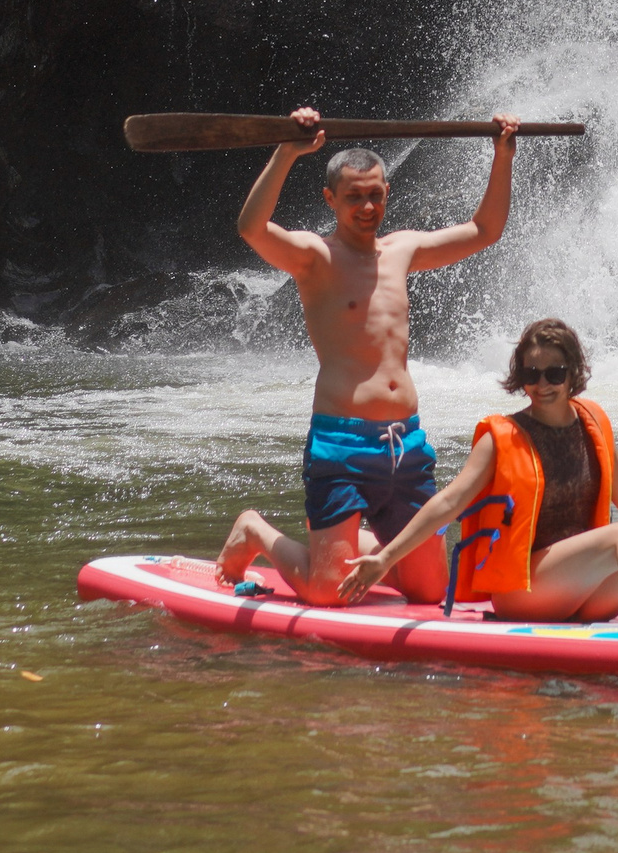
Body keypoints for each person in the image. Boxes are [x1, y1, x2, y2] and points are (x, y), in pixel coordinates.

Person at [214, 107, 519, 604]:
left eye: (375, 194)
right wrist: (288, 150)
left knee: (426, 591)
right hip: (343, 441)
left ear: (386, 193)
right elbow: (252, 227)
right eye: (354, 196)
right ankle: (255, 531)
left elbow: (485, 231)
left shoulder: (402, 250)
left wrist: (502, 154)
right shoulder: (315, 257)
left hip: (406, 444)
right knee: (327, 593)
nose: (366, 206)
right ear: (331, 199)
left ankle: (348, 541)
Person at [338, 318, 618, 628]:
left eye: (554, 372)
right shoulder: (503, 437)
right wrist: (386, 559)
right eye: (531, 374)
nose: (542, 384)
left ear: (574, 373)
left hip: (579, 591)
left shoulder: (592, 422)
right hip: (524, 592)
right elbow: (448, 504)